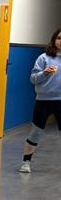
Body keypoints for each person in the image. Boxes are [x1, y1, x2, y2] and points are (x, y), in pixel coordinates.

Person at [19, 27, 61, 173]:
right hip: (44, 101)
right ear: (54, 40)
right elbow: (33, 79)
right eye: (59, 38)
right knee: (36, 131)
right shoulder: (44, 58)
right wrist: (45, 73)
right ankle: (26, 162)